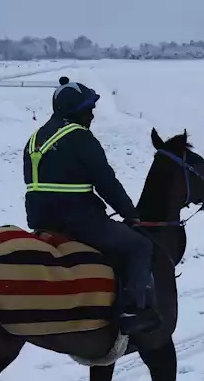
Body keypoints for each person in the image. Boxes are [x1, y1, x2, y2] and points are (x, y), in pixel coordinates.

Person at [23, 79, 159, 335]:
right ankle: (132, 312)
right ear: (75, 111)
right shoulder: (79, 137)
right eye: (88, 109)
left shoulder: (35, 139)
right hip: (78, 221)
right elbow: (106, 182)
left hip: (41, 221)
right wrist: (132, 216)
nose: (92, 114)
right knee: (140, 246)